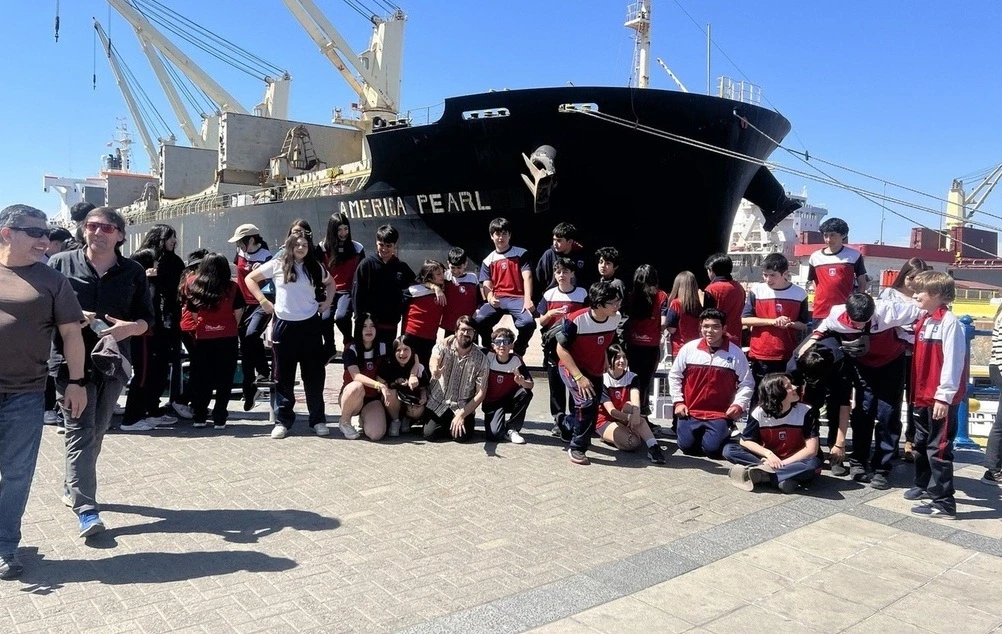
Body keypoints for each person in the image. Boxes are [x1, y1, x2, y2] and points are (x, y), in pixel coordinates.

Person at [49, 206, 154, 538]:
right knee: (80, 431)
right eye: (92, 226)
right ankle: (86, 510)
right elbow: (41, 310)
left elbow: (147, 318)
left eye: (107, 228)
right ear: (83, 230)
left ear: (120, 235)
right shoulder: (60, 264)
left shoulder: (133, 271)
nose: (97, 232)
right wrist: (72, 315)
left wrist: (129, 328)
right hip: (69, 364)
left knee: (96, 431)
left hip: (112, 363)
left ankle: (72, 484)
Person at [0, 204, 86, 580]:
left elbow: (71, 334)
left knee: (16, 474)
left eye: (46, 233)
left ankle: (5, 545)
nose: (44, 240)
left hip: (25, 393)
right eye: (35, 232)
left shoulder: (52, 280)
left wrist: (76, 382)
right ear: (7, 233)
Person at [804, 293, 920, 489]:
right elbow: (822, 329)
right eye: (855, 322)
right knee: (863, 412)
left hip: (892, 362)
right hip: (862, 365)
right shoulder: (837, 314)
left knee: (888, 414)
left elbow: (922, 313)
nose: (858, 326)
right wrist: (805, 348)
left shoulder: (890, 311)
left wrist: (908, 336)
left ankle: (882, 468)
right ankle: (858, 460)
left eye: (864, 321)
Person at [245, 232, 335, 439]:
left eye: (305, 245)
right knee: (283, 376)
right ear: (290, 246)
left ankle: (318, 420)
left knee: (314, 375)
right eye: (297, 245)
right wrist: (263, 301)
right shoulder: (277, 264)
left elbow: (331, 283)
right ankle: (283, 421)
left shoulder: (315, 267)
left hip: (310, 325)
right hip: (284, 325)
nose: (301, 248)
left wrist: (328, 302)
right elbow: (251, 279)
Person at [905, 271, 966, 519]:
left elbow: (953, 361)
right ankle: (924, 484)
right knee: (921, 442)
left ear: (938, 294)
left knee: (938, 447)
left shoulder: (949, 323)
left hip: (938, 397)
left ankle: (944, 502)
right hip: (922, 395)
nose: (915, 295)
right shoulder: (925, 319)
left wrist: (944, 396)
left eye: (920, 291)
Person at [668, 308, 753, 458]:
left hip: (719, 414)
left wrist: (738, 405)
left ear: (724, 328)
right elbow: (674, 376)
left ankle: (725, 432)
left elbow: (747, 383)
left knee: (713, 450)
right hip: (691, 411)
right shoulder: (689, 349)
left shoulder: (735, 353)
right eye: (705, 326)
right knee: (687, 447)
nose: (710, 331)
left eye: (715, 327)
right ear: (700, 327)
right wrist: (678, 402)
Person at [555, 281, 623, 465]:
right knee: (586, 403)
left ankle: (566, 424)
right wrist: (579, 377)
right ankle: (577, 448)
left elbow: (606, 341)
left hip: (595, 368)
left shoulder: (615, 318)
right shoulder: (576, 320)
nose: (617, 306)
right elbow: (561, 349)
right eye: (613, 302)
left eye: (619, 301)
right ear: (599, 304)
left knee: (592, 409)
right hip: (572, 367)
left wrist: (605, 358)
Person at [723, 373, 822, 493]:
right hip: (769, 458)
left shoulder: (806, 411)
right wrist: (768, 455)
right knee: (729, 450)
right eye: (788, 387)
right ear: (777, 393)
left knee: (813, 465)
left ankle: (763, 476)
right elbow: (745, 441)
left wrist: (781, 464)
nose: (795, 387)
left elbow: (811, 450)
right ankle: (782, 478)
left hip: (796, 460)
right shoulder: (759, 412)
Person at [119, 248, 178, 431]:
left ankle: (150, 411)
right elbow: (148, 303)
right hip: (143, 335)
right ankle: (131, 419)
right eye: (155, 261)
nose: (158, 264)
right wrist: (150, 280)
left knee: (154, 375)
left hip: (155, 335)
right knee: (143, 376)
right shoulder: (137, 281)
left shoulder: (150, 281)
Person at [184, 253, 245, 429]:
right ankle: (219, 416)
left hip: (204, 337)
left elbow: (194, 314)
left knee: (203, 377)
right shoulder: (232, 287)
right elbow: (238, 312)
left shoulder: (195, 286)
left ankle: (200, 416)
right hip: (228, 337)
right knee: (225, 378)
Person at [879, 257, 930, 462]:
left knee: (914, 399)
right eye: (910, 278)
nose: (912, 284)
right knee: (892, 398)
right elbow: (881, 319)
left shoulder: (925, 296)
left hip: (918, 353)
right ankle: (890, 442)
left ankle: (911, 440)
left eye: (918, 279)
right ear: (903, 275)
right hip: (893, 351)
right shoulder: (889, 294)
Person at [741, 253, 809, 403]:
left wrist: (790, 323)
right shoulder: (757, 290)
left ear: (785, 274)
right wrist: (772, 321)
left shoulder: (799, 293)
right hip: (762, 353)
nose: (768, 279)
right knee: (761, 396)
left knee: (786, 395)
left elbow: (803, 324)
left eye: (772, 275)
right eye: (765, 275)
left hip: (788, 353)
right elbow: (744, 319)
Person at [138, 224, 186, 418]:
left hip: (169, 318)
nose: (173, 241)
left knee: (163, 364)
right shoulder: (143, 257)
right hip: (149, 321)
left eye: (174, 237)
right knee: (149, 365)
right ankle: (146, 407)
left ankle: (155, 405)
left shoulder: (175, 261)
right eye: (169, 237)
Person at [537, 257, 587, 435]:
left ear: (572, 273)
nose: (561, 275)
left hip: (575, 346)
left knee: (574, 382)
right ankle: (558, 420)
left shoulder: (582, 293)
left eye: (565, 271)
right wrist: (550, 313)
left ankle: (574, 419)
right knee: (556, 385)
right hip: (553, 346)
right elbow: (541, 321)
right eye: (558, 272)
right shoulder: (549, 294)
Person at [473, 218, 536, 356]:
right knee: (478, 320)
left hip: (517, 298)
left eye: (504, 234)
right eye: (497, 234)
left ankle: (519, 348)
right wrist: (490, 298)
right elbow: (486, 284)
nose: (501, 237)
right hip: (498, 298)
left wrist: (528, 299)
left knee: (528, 323)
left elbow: (528, 277)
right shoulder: (488, 260)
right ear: (492, 236)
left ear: (510, 235)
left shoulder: (521, 253)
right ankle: (489, 346)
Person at [595, 345, 666, 464]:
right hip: (605, 420)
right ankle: (610, 437)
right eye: (617, 357)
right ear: (609, 359)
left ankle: (654, 447)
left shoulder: (632, 377)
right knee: (633, 443)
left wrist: (636, 414)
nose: (622, 361)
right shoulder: (603, 379)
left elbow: (635, 398)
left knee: (630, 406)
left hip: (624, 415)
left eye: (624, 357)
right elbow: (611, 411)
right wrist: (630, 417)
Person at [229, 224, 273, 411]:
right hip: (243, 304)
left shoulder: (266, 257)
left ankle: (264, 370)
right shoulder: (240, 253)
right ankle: (249, 390)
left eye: (241, 242)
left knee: (251, 334)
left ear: (252, 240)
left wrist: (262, 272)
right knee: (246, 347)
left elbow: (274, 280)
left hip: (261, 302)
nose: (239, 245)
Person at [424, 316, 490, 441]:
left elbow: (481, 393)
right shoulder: (443, 346)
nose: (466, 333)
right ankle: (447, 426)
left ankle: (455, 425)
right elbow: (434, 358)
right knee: (429, 435)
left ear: (475, 334)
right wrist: (434, 369)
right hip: (439, 403)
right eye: (463, 330)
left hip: (461, 406)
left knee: (461, 437)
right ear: (456, 331)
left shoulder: (482, 360)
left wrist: (462, 415)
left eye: (470, 331)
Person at [351, 224, 416, 347]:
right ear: (376, 243)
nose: (384, 249)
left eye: (388, 246)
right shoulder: (366, 265)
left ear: (395, 245)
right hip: (369, 324)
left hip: (390, 323)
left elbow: (415, 287)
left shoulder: (401, 267)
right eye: (381, 245)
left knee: (386, 356)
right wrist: (359, 320)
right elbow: (357, 294)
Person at [623, 264, 668, 427]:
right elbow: (663, 322)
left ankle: (630, 415)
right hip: (651, 345)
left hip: (632, 344)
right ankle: (643, 418)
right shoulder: (662, 296)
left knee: (632, 380)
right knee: (646, 382)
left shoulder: (630, 296)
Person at [338, 314, 391, 440]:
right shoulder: (351, 348)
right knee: (357, 386)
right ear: (358, 329)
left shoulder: (383, 347)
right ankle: (345, 420)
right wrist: (379, 385)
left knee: (376, 434)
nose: (369, 330)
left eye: (372, 326)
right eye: (364, 326)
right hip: (352, 396)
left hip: (371, 398)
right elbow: (356, 376)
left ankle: (363, 419)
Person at [319, 212, 365, 356]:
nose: (343, 233)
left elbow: (362, 272)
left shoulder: (357, 248)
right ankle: (330, 347)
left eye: (346, 229)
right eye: (339, 229)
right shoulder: (322, 248)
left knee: (342, 317)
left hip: (347, 291)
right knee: (325, 318)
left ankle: (348, 341)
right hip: (329, 290)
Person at [807, 217, 867, 321]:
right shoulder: (815, 257)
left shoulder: (854, 255)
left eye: (833, 235)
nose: (828, 239)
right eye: (825, 235)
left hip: (845, 311)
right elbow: (815, 282)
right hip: (821, 312)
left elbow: (862, 282)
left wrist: (856, 304)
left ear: (843, 235)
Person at [481, 327, 534, 444]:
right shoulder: (488, 356)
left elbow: (530, 385)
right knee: (494, 436)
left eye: (506, 342)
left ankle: (512, 429)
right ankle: (499, 425)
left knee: (525, 393)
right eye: (498, 342)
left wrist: (522, 382)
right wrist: (451, 338)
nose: (502, 346)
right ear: (493, 345)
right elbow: (469, 346)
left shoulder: (516, 360)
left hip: (509, 401)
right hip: (492, 404)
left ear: (511, 345)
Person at [379, 336, 429, 437]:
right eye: (398, 350)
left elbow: (424, 388)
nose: (402, 353)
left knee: (418, 409)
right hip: (392, 403)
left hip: (409, 401)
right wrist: (395, 382)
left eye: (406, 349)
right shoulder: (388, 363)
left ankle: (408, 420)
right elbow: (379, 383)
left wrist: (423, 397)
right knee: (390, 392)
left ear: (412, 350)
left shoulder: (419, 367)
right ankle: (395, 421)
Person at [402, 259, 447, 366]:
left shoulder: (445, 288)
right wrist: (433, 287)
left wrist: (437, 288)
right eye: (438, 274)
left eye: (443, 272)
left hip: (430, 337)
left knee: (425, 368)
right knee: (408, 366)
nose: (442, 276)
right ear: (429, 277)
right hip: (412, 334)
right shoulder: (415, 290)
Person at [535, 222, 590, 295]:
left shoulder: (581, 255)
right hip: (553, 296)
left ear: (569, 242)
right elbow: (540, 277)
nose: (555, 243)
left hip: (577, 297)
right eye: (554, 239)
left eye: (559, 240)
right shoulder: (549, 254)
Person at [704, 253, 745, 346]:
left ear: (711, 271)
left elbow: (707, 315)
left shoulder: (711, 289)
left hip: (716, 338)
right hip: (736, 337)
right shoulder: (739, 288)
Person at [665, 270, 708, 358]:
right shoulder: (698, 306)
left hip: (680, 348)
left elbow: (671, 329)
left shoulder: (676, 303)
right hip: (695, 347)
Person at [441, 247, 480, 338]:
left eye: (459, 268)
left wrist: (478, 310)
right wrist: (437, 288)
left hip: (469, 324)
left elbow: (479, 299)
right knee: (450, 346)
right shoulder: (444, 277)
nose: (456, 271)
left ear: (465, 264)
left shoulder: (472, 278)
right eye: (452, 267)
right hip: (451, 324)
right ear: (448, 263)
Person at [987, 300, 1002, 486]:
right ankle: (993, 469)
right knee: (1001, 422)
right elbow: (1000, 350)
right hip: (999, 367)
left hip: (997, 367)